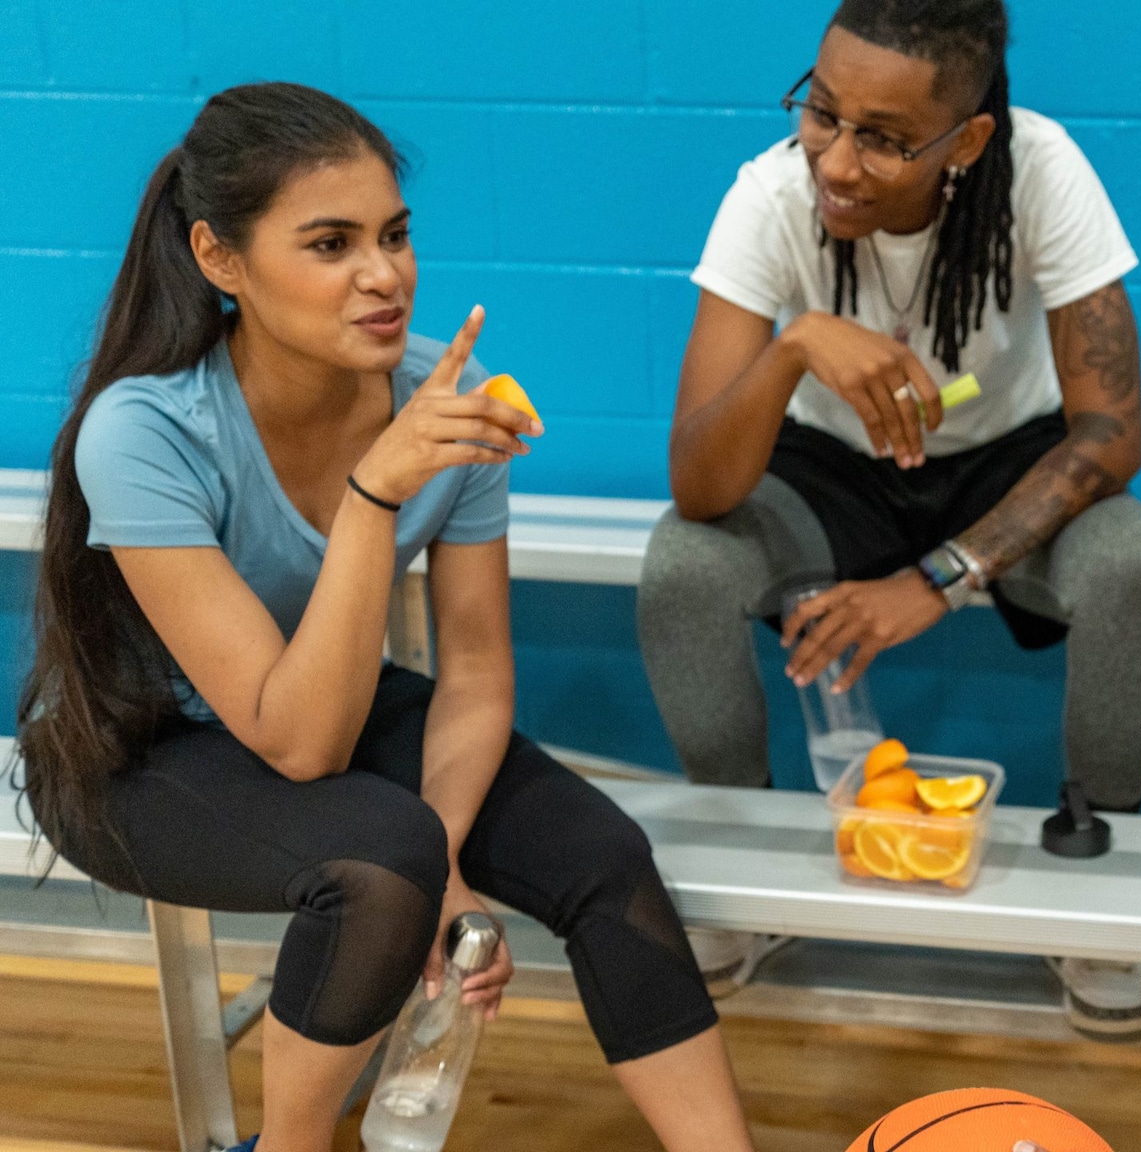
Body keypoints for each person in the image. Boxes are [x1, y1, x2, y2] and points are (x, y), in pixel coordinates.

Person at [18, 84, 752, 1152]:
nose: (384, 274)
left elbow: (478, 675)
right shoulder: (145, 429)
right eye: (330, 243)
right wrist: (374, 495)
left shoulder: (448, 405)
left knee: (600, 854)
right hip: (135, 751)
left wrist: (449, 869)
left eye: (394, 235)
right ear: (221, 259)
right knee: (377, 867)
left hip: (325, 703)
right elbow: (297, 739)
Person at [637, 0, 1141, 1039]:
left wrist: (941, 577)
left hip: (1004, 466)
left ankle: (1097, 888)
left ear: (966, 141)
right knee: (681, 565)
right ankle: (739, 867)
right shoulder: (768, 195)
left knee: (1127, 563)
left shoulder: (1043, 173)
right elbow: (699, 486)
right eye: (821, 112)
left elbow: (1110, 436)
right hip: (825, 475)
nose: (836, 161)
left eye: (882, 139)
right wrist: (794, 346)